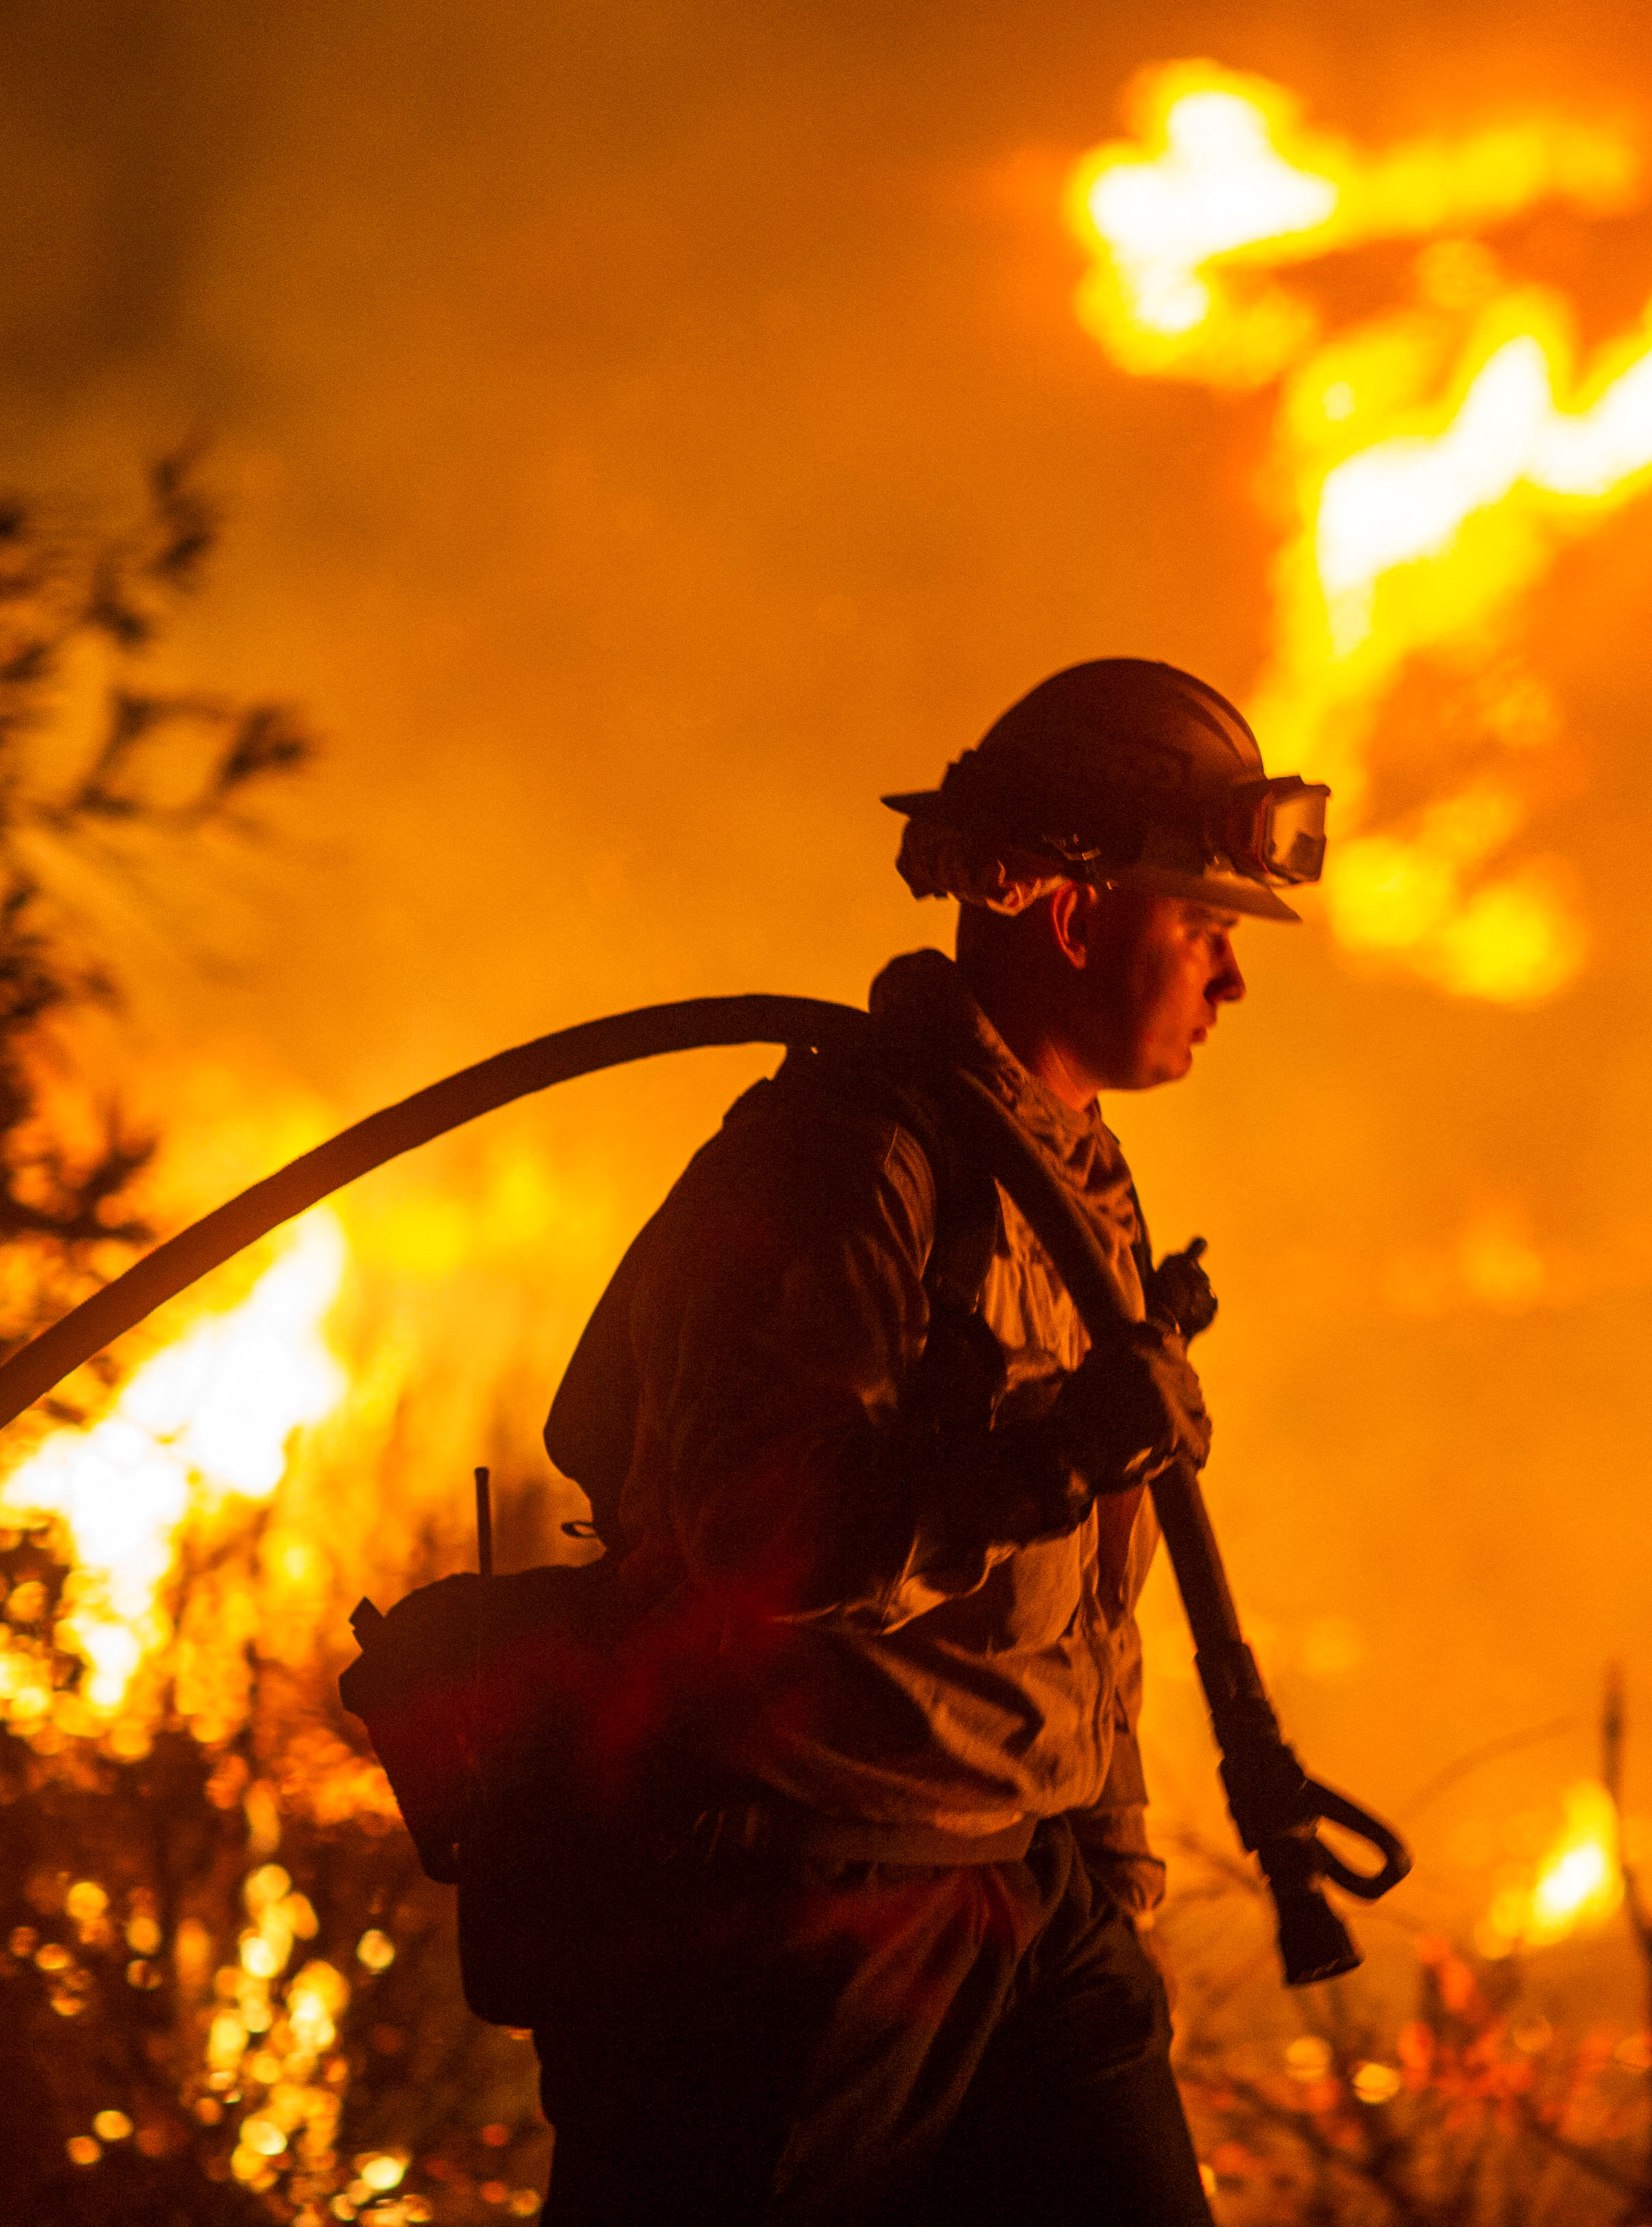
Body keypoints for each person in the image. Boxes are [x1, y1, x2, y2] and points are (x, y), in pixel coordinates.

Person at [526, 659, 1328, 2224]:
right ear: (1077, 915)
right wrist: (1059, 1450)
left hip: (1028, 1897)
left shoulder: (1078, 1176)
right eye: (1206, 928)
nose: (1229, 982)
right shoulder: (849, 1169)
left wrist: (1109, 1857)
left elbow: (1094, 1593)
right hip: (809, 1916)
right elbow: (753, 1541)